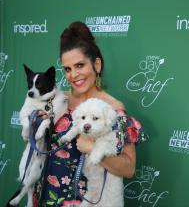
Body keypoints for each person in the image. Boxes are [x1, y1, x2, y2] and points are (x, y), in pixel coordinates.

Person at [32, 21, 147, 206]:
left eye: (79, 65)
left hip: (85, 201)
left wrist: (94, 150)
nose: (73, 75)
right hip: (45, 195)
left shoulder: (114, 110)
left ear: (97, 65)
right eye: (68, 69)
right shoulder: (57, 101)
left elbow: (129, 168)